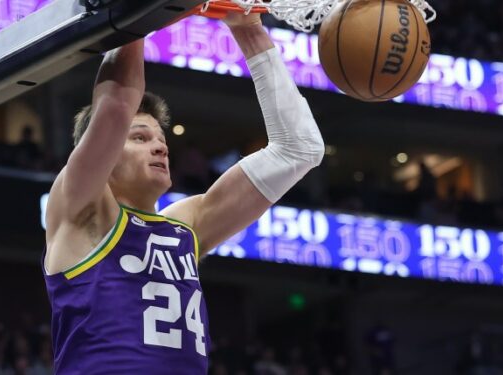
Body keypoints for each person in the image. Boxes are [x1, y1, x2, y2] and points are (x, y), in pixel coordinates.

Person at [42, 11, 324, 375]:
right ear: (102, 152)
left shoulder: (184, 226)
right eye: (140, 138)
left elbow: (299, 149)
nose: (160, 148)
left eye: (161, 140)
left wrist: (249, 29)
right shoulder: (81, 207)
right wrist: (140, 11)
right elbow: (114, 107)